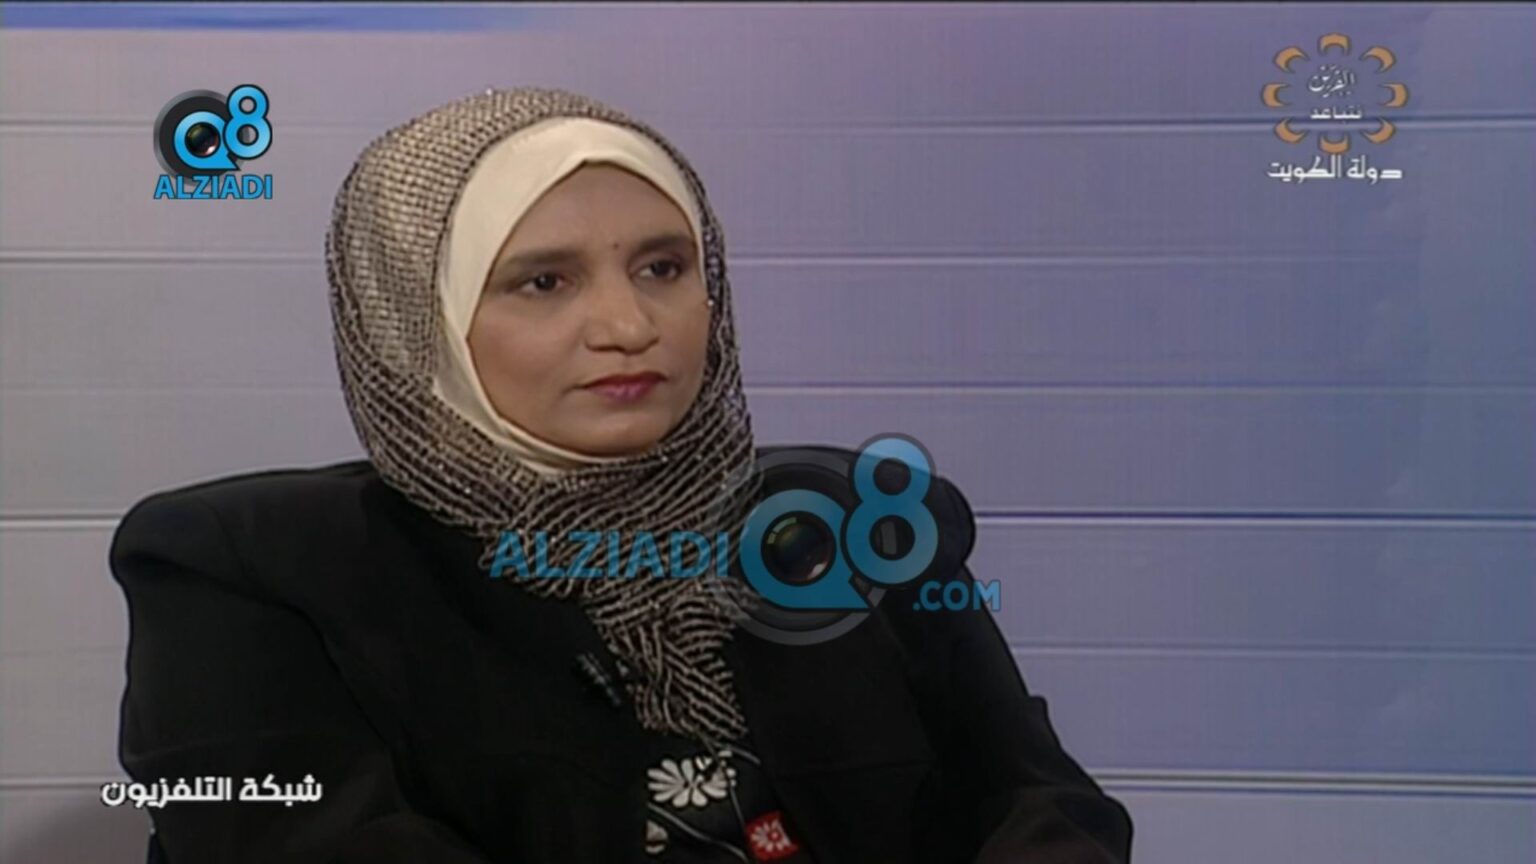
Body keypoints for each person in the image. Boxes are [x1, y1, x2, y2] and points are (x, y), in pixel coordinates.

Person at [109, 86, 1133, 864]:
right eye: (544, 281)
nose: (628, 325)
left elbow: (1041, 804)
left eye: (663, 267)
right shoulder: (246, 572)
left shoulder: (849, 520)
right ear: (416, 321)